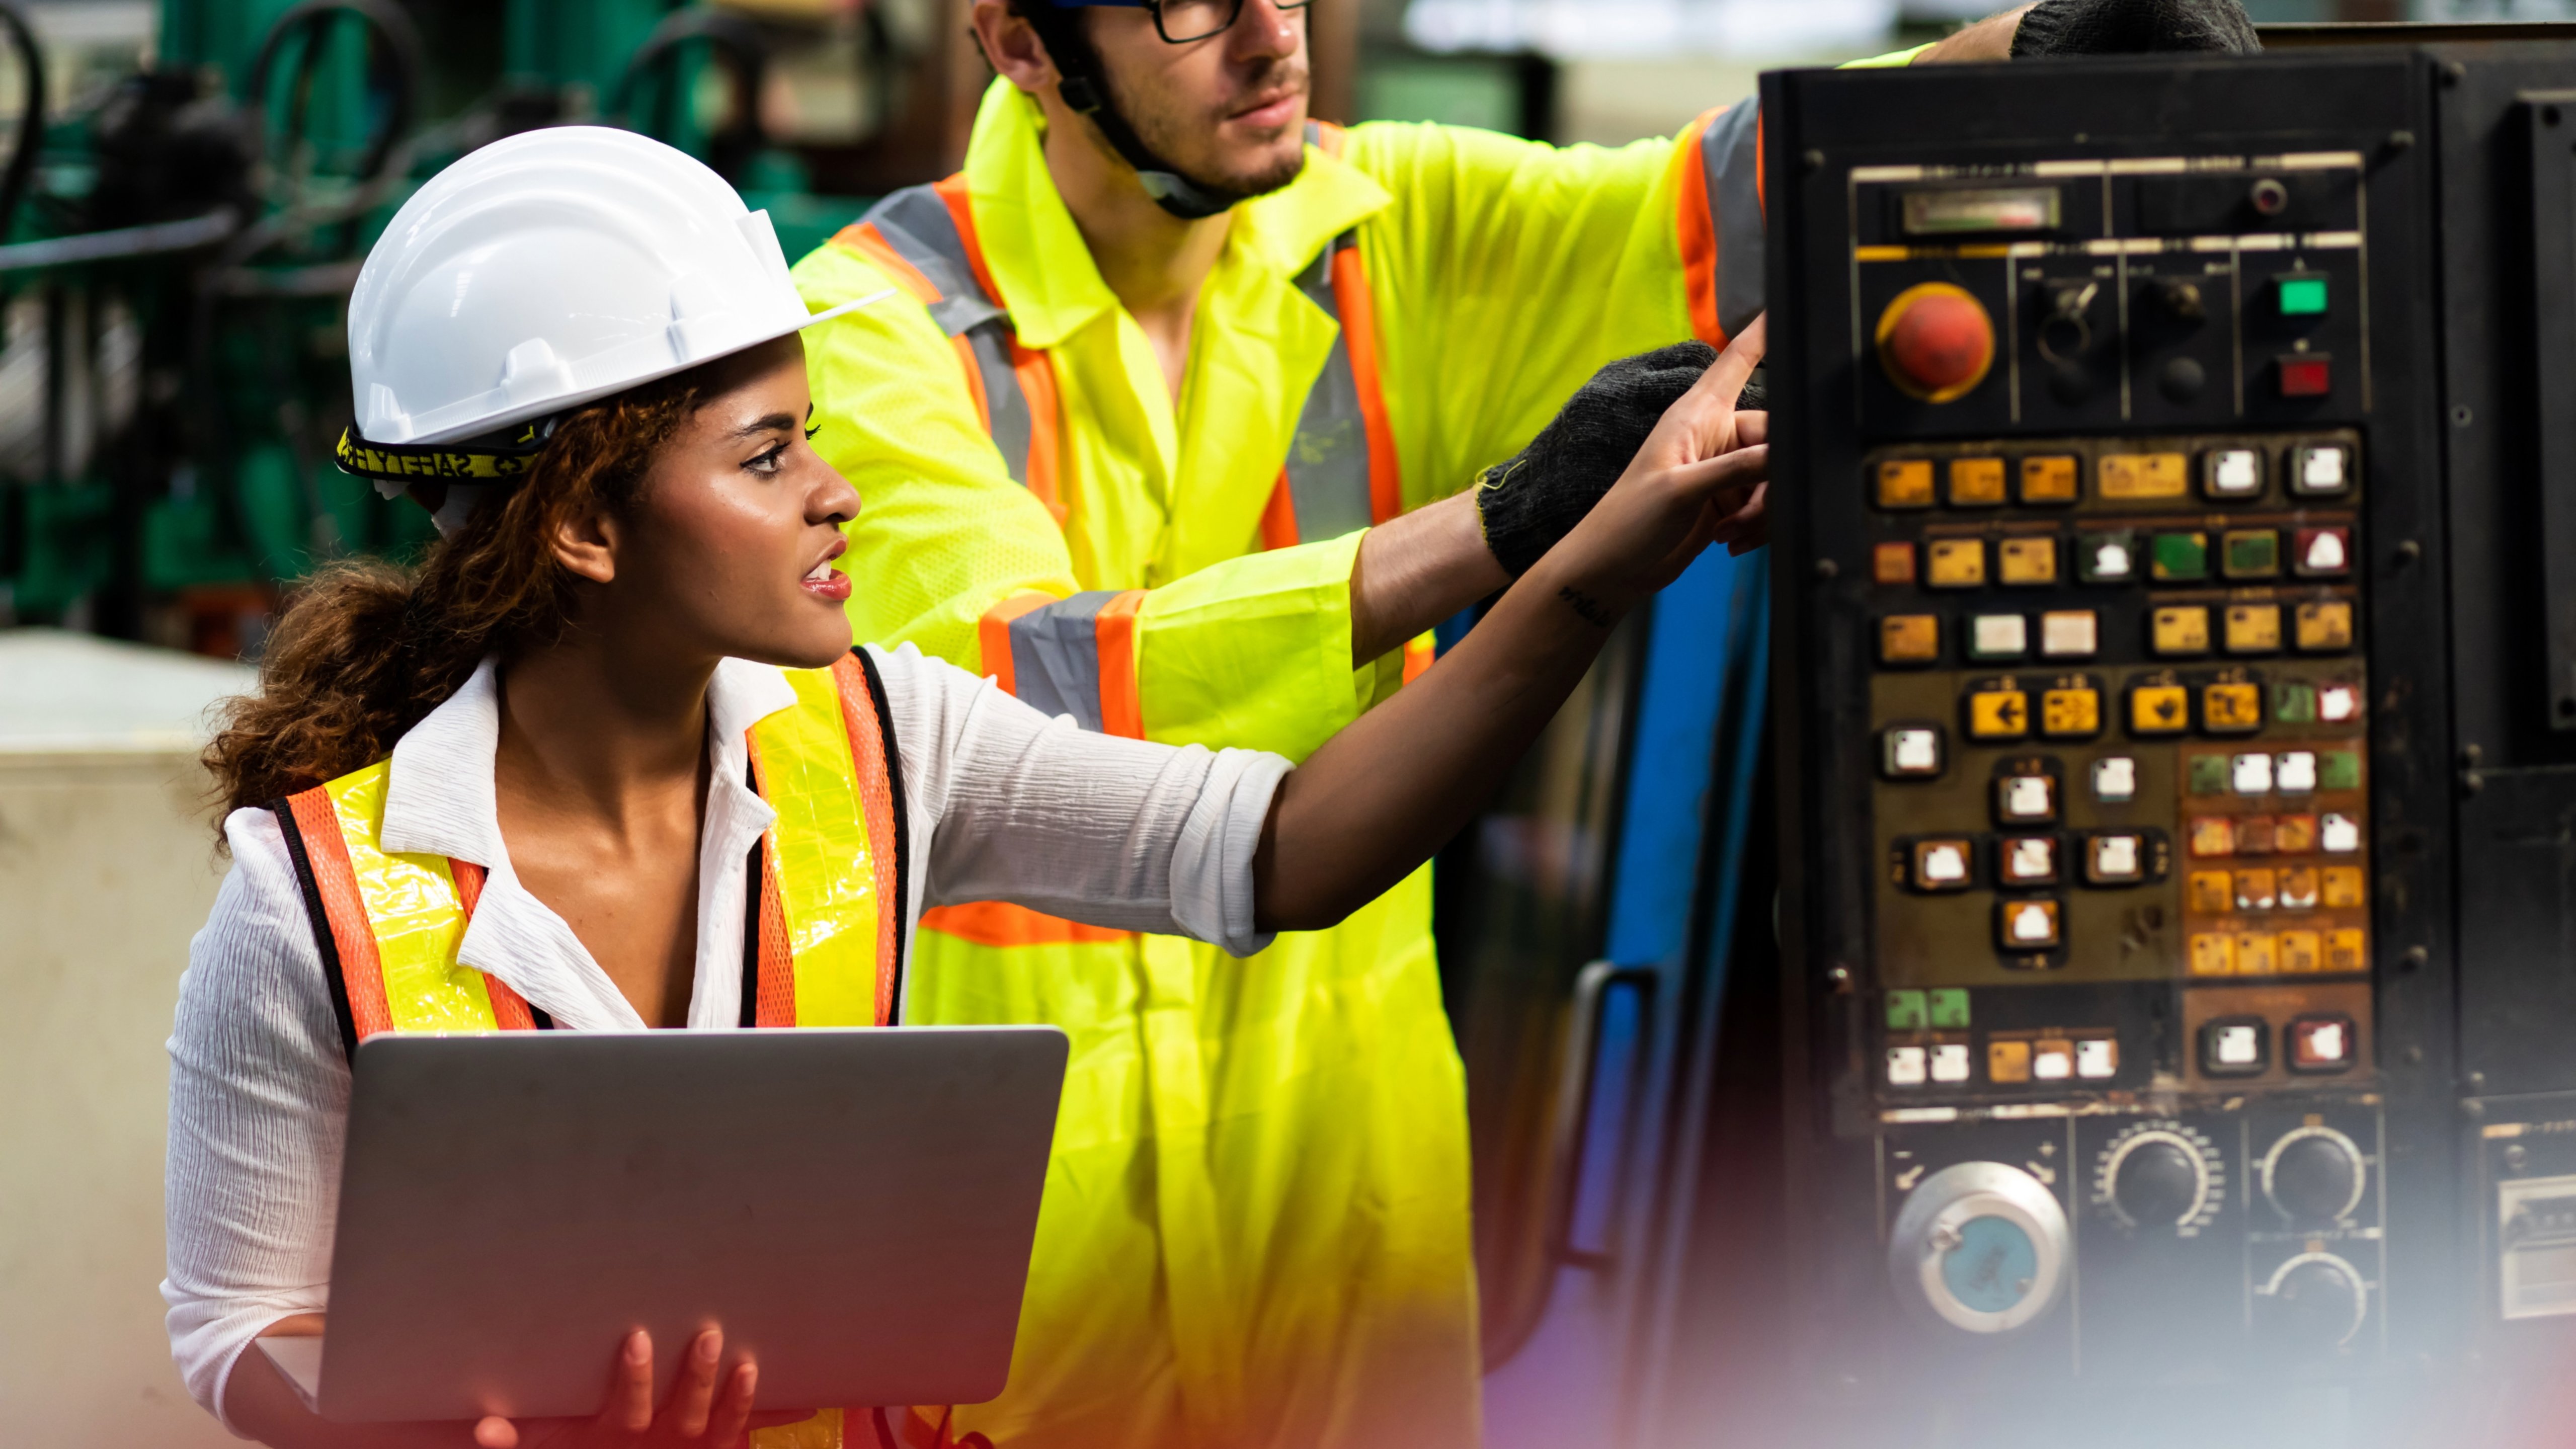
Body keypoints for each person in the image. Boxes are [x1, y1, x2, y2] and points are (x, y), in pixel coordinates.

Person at [785, 0, 2261, 1443]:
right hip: (1033, 1287)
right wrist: (1498, 531)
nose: (1272, 35)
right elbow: (1011, 701)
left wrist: (2034, 49)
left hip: (1348, 1244)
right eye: (1190, 6)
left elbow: (1723, 197)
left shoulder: (1385, 234)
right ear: (1023, 43)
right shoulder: (866, 332)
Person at [162, 127, 1768, 1449]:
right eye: (769, 453)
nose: (835, 489)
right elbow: (239, 1324)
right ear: (583, 522)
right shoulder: (305, 899)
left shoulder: (887, 736)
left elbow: (1286, 850)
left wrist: (1584, 564)